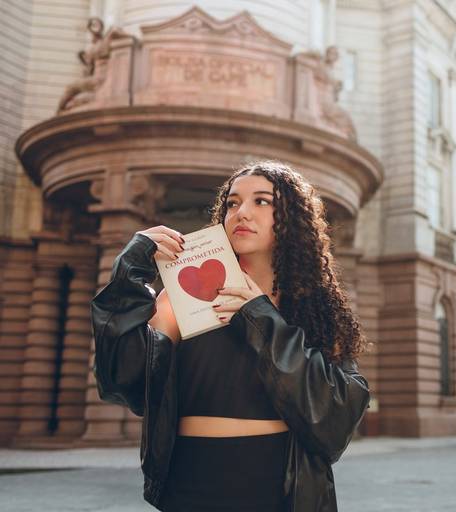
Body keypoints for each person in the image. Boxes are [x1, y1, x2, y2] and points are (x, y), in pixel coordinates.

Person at [91, 160, 372, 511]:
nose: (242, 213)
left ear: (292, 220)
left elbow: (335, 418)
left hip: (280, 485)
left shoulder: (315, 307)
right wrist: (128, 277)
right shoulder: (182, 296)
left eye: (262, 201)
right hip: (191, 482)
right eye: (233, 203)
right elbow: (124, 382)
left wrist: (260, 317)